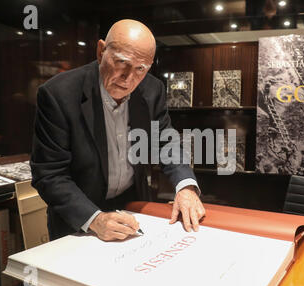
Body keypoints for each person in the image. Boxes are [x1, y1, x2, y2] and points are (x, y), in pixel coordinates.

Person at [30, 19, 205, 241]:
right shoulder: (58, 95)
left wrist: (186, 187)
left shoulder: (152, 89)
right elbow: (49, 174)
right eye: (121, 62)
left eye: (141, 69)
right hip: (79, 218)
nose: (128, 79)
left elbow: (165, 141)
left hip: (133, 206)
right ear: (101, 50)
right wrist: (95, 219)